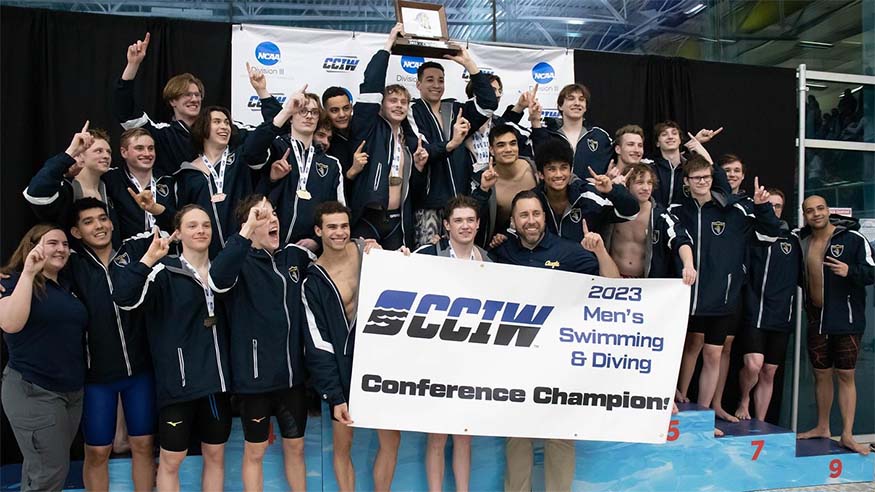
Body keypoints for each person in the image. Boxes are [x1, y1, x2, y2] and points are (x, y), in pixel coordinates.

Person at [490, 190, 618, 492]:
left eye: (535, 214)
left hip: (560, 362)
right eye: (524, 215)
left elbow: (612, 285)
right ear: (513, 221)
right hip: (517, 362)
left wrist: (599, 251)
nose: (530, 221)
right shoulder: (502, 253)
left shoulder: (569, 251)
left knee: (559, 435)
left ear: (544, 217)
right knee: (517, 436)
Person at [112, 206, 232, 491]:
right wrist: (148, 259)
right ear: (178, 233)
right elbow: (124, 298)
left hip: (215, 384)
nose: (201, 230)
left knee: (215, 455)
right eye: (192, 226)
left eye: (205, 225)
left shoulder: (222, 271)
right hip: (177, 385)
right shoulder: (162, 271)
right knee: (171, 459)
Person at [210, 196, 316, 490]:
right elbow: (217, 281)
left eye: (274, 214)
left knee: (296, 448)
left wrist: (365, 247)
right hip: (254, 382)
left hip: (292, 379)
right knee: (255, 451)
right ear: (248, 225)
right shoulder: (237, 261)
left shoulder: (293, 257)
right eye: (263, 216)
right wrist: (244, 233)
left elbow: (332, 260)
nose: (273, 220)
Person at [669, 156, 780, 432]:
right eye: (696, 178)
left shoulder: (736, 210)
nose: (702, 182)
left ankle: (704, 416)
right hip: (685, 295)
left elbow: (769, 236)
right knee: (674, 351)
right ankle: (673, 404)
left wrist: (764, 207)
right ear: (686, 182)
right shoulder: (675, 210)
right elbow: (677, 240)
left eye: (707, 177)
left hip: (722, 296)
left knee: (713, 356)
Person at [66, 198, 156, 492]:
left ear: (112, 222)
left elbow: (171, 231)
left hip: (139, 373)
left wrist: (155, 208)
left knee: (143, 445)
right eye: (88, 221)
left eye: (102, 218)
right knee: (97, 451)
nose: (99, 226)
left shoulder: (132, 250)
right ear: (76, 232)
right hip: (97, 379)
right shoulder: (73, 264)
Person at [301, 202, 384, 490]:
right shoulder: (313, 280)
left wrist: (401, 259)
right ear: (318, 230)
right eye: (332, 227)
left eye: (344, 226)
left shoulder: (370, 253)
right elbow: (318, 345)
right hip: (343, 371)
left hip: (380, 365)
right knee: (342, 446)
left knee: (391, 440)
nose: (339, 233)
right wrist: (335, 396)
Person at [0, 225, 86, 492]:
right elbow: (11, 324)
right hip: (34, 390)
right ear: (33, 246)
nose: (61, 248)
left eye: (64, 244)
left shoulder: (66, 286)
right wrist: (28, 272)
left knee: (41, 470)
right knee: (50, 472)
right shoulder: (10, 281)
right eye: (52, 243)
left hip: (70, 394)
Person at [415, 196, 490, 492]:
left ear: (478, 224)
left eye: (470, 220)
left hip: (471, 362)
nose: (465, 226)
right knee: (437, 436)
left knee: (464, 435)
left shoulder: (489, 262)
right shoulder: (427, 256)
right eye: (458, 220)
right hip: (437, 361)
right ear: (446, 225)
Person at [796, 195, 873, 455]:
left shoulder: (853, 238)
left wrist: (849, 271)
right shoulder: (802, 240)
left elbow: (872, 271)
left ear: (828, 210)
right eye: (810, 211)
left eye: (820, 208)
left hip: (846, 318)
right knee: (821, 374)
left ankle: (848, 434)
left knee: (846, 375)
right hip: (816, 318)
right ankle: (822, 426)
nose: (816, 214)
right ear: (804, 215)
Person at [346, 24, 428, 250]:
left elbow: (415, 189)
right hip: (367, 218)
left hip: (398, 220)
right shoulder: (368, 128)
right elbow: (372, 83)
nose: (399, 105)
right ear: (380, 105)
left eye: (403, 102)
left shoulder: (409, 139)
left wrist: (419, 168)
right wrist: (389, 44)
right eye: (393, 100)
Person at [409, 44, 498, 246]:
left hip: (460, 204)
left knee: (460, 261)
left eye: (441, 80)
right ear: (418, 84)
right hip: (429, 205)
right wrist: (452, 143)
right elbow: (422, 151)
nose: (436, 85)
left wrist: (469, 65)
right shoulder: (412, 111)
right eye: (430, 80)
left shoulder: (456, 109)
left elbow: (488, 104)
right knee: (427, 260)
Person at [735, 189, 800, 422]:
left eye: (778, 206)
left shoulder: (793, 239)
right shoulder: (751, 235)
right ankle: (744, 399)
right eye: (769, 205)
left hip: (782, 315)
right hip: (755, 311)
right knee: (754, 365)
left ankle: (760, 422)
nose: (773, 210)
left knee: (769, 371)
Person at [261, 83, 346, 251]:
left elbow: (337, 211)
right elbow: (250, 153)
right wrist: (271, 179)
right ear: (291, 116)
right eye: (302, 111)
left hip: (310, 252)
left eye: (314, 113)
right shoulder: (276, 147)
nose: (309, 116)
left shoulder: (331, 164)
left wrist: (317, 240)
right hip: (270, 246)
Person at [24, 123, 123, 247]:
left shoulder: (110, 189)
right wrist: (70, 153)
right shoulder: (65, 189)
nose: (106, 156)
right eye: (99, 151)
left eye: (109, 152)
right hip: (71, 262)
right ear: (80, 155)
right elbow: (35, 193)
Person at [531, 139, 638, 245]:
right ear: (540, 174)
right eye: (552, 169)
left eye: (563, 168)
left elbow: (631, 213)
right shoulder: (531, 200)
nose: (559, 174)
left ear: (571, 170)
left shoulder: (588, 196)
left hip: (583, 261)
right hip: (541, 262)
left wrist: (611, 191)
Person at [606, 164, 696, 283]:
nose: (646, 188)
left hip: (645, 284)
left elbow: (680, 238)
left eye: (649, 183)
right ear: (627, 184)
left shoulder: (660, 216)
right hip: (609, 279)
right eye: (640, 182)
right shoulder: (610, 210)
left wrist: (688, 265)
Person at [471, 123, 539, 246]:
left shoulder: (535, 168)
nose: (508, 149)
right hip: (504, 245)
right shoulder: (483, 179)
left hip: (540, 240)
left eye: (513, 143)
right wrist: (483, 189)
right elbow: (471, 215)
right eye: (501, 145)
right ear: (491, 150)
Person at [529, 83, 612, 176]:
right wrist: (535, 120)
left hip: (592, 190)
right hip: (555, 190)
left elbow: (618, 159)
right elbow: (539, 159)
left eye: (581, 99)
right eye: (571, 98)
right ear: (560, 106)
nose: (577, 103)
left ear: (585, 107)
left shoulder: (600, 136)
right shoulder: (548, 135)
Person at [649, 121, 722, 208]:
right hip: (655, 219)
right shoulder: (650, 167)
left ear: (680, 140)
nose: (670, 137)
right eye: (664, 134)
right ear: (657, 143)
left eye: (674, 133)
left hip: (686, 219)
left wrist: (705, 154)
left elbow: (721, 185)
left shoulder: (692, 167)